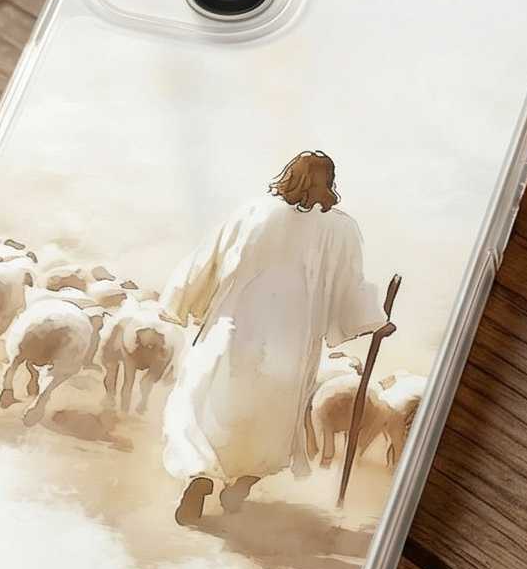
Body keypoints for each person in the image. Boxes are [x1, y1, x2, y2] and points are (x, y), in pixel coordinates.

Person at [162, 150, 393, 527]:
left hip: (233, 333)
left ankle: (199, 478)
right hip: (290, 343)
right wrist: (375, 321)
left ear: (288, 174)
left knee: (211, 405)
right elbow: (351, 285)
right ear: (329, 182)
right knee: (273, 419)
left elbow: (208, 260)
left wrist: (182, 298)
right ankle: (243, 483)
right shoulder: (340, 228)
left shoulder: (253, 212)